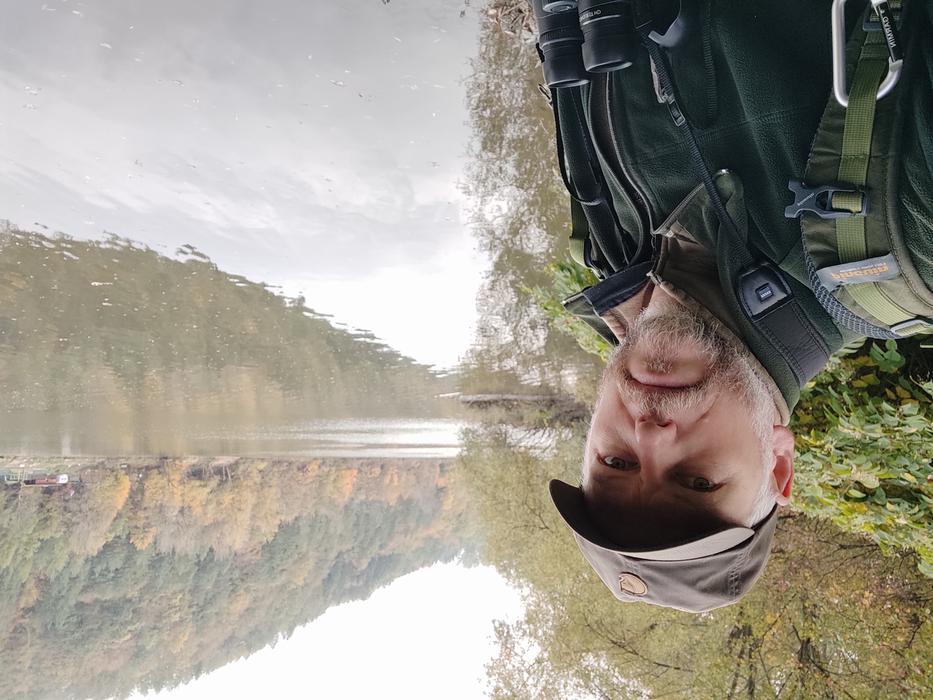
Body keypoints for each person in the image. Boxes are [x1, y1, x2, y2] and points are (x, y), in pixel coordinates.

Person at [543, 0, 933, 612]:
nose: (648, 433)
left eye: (616, 461)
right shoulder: (910, 247)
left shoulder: (610, 245)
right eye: (696, 480)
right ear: (779, 464)